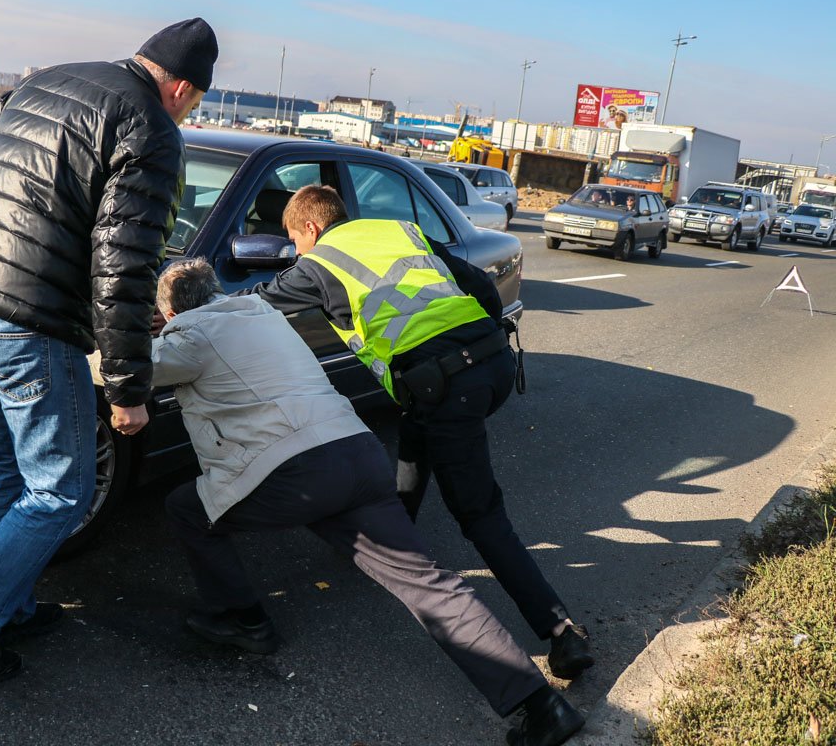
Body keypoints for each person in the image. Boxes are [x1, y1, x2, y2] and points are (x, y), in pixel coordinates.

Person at [154, 259, 584, 746]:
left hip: (295, 472)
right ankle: (544, 706)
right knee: (430, 586)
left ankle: (245, 620)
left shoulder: (189, 333)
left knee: (188, 510)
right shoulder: (263, 314)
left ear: (170, 313)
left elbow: (128, 371)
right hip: (357, 453)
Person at [0, 18, 219, 681]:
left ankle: (6, 606)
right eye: (194, 103)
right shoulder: (150, 127)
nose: (188, 113)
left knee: (6, 467)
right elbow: (124, 265)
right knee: (63, 490)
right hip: (27, 325)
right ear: (183, 88)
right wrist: (129, 389)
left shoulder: (42, 83)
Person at [245, 185, 595, 682]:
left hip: (449, 385)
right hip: (490, 363)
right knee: (417, 434)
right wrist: (477, 342)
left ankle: (560, 631)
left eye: (295, 241)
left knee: (480, 515)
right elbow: (479, 283)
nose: (296, 252)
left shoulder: (319, 262)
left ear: (311, 228)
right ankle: (393, 541)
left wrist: (181, 307)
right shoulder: (399, 231)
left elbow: (252, 306)